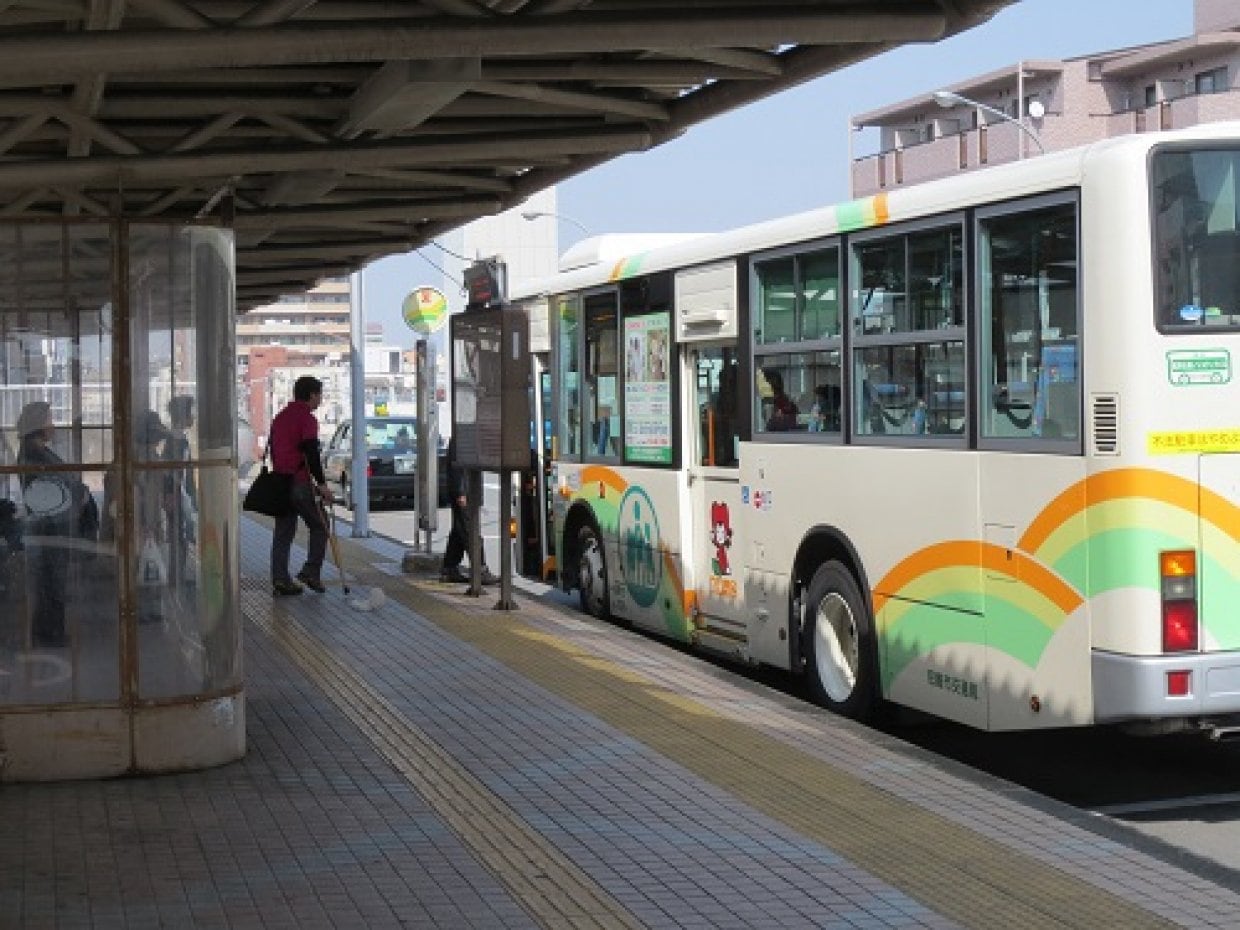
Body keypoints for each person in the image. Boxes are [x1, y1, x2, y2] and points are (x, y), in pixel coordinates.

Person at [15, 401, 92, 646]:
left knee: (52, 581)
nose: (53, 425)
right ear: (38, 425)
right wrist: (76, 498)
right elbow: (48, 491)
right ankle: (49, 633)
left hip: (51, 526)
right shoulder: (33, 454)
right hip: (49, 527)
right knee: (51, 582)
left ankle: (50, 630)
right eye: (49, 420)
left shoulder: (37, 451)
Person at [269, 376, 334, 595]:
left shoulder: (280, 418)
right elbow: (311, 453)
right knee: (320, 524)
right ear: (312, 395)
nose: (320, 400)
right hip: (299, 481)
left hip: (280, 482)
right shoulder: (307, 419)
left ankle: (280, 579)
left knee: (283, 532)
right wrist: (322, 485)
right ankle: (310, 572)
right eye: (319, 395)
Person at [439, 434, 497, 585]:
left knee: (460, 530)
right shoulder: (462, 437)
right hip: (464, 492)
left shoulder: (466, 435)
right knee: (470, 531)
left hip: (468, 491)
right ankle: (481, 570)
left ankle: (449, 568)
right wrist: (460, 492)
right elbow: (457, 468)